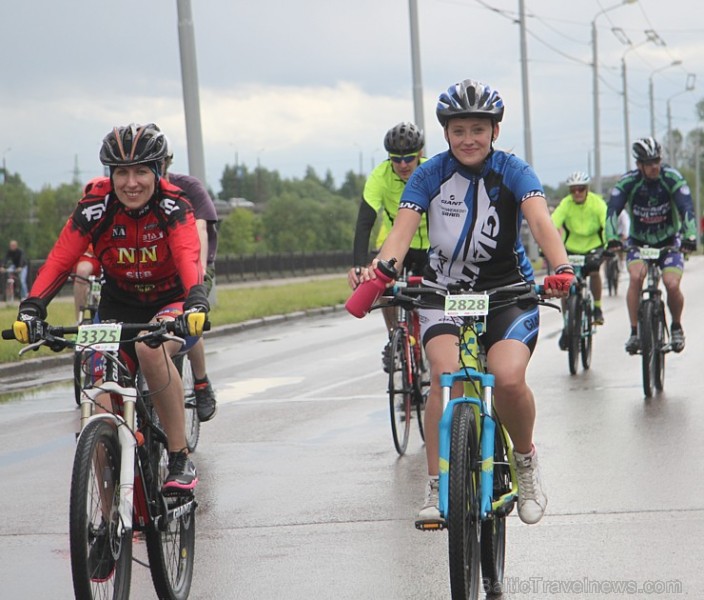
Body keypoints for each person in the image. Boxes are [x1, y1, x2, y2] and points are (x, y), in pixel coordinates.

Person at [355, 79, 573, 525]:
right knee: (443, 376)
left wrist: (562, 268)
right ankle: (438, 487)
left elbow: (540, 222)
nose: (468, 139)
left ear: (494, 130)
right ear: (446, 134)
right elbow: (400, 232)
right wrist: (379, 275)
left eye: (478, 129)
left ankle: (526, 464)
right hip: (444, 292)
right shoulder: (429, 173)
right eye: (458, 130)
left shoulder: (514, 170)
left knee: (508, 379)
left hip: (507, 292)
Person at [12, 123, 209, 495]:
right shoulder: (95, 206)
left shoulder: (174, 206)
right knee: (101, 400)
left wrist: (197, 298)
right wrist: (32, 307)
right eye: (121, 172)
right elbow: (60, 260)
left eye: (140, 171)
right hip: (120, 304)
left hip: (173, 299)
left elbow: (187, 255)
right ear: (110, 174)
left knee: (150, 350)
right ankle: (106, 522)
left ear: (157, 172)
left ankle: (180, 457)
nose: (130, 182)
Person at [348, 122, 429, 371]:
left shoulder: (430, 171)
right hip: (399, 242)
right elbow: (365, 221)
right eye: (396, 159)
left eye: (408, 158)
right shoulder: (379, 176)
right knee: (379, 277)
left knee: (437, 289)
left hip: (431, 242)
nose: (403, 165)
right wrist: (359, 265)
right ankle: (395, 337)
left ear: (419, 155)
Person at [605, 137, 697, 354]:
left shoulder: (671, 178)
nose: (654, 166)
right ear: (639, 165)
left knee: (671, 284)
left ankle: (676, 327)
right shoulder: (629, 181)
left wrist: (690, 235)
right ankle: (634, 332)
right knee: (636, 277)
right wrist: (612, 237)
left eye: (657, 161)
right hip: (639, 241)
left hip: (668, 241)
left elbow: (686, 208)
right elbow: (612, 210)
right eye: (649, 162)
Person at [162, 141, 219, 422]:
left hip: (193, 264)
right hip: (153, 273)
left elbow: (200, 231)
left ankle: (200, 382)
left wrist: (197, 280)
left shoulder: (189, 188)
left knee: (188, 315)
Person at [551, 171, 607, 349]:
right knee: (565, 283)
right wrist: (547, 244)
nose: (577, 193)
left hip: (593, 246)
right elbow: (552, 223)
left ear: (587, 189)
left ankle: (597, 307)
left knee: (594, 271)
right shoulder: (566, 204)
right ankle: (567, 323)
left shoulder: (597, 203)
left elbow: (606, 224)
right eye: (573, 190)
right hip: (571, 248)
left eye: (581, 189)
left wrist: (608, 245)